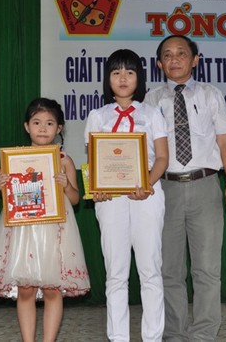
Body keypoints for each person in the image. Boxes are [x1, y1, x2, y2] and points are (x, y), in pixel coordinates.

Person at [145, 35, 226, 341]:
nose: (175, 60)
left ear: (195, 60)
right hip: (164, 188)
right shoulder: (151, 100)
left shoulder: (211, 94)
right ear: (159, 64)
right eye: (167, 55)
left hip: (204, 186)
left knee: (207, 268)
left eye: (181, 54)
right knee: (170, 270)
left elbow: (223, 140)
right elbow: (142, 148)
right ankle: (174, 332)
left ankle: (203, 334)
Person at [0, 97, 90, 342]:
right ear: (26, 126)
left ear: (59, 129)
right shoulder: (15, 159)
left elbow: (74, 199)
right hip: (24, 230)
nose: (42, 128)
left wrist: (65, 185)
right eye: (37, 122)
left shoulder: (64, 160)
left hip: (56, 229)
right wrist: (2, 186)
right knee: (26, 290)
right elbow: (11, 197)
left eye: (50, 123)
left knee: (53, 290)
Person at [84, 49, 169, 341]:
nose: (123, 78)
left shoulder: (153, 113)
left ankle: (153, 337)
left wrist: (146, 183)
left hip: (148, 194)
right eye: (116, 72)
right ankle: (118, 337)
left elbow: (162, 158)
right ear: (108, 78)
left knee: (150, 270)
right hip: (111, 200)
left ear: (139, 78)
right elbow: (92, 162)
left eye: (129, 72)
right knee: (116, 274)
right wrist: (96, 188)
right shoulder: (97, 116)